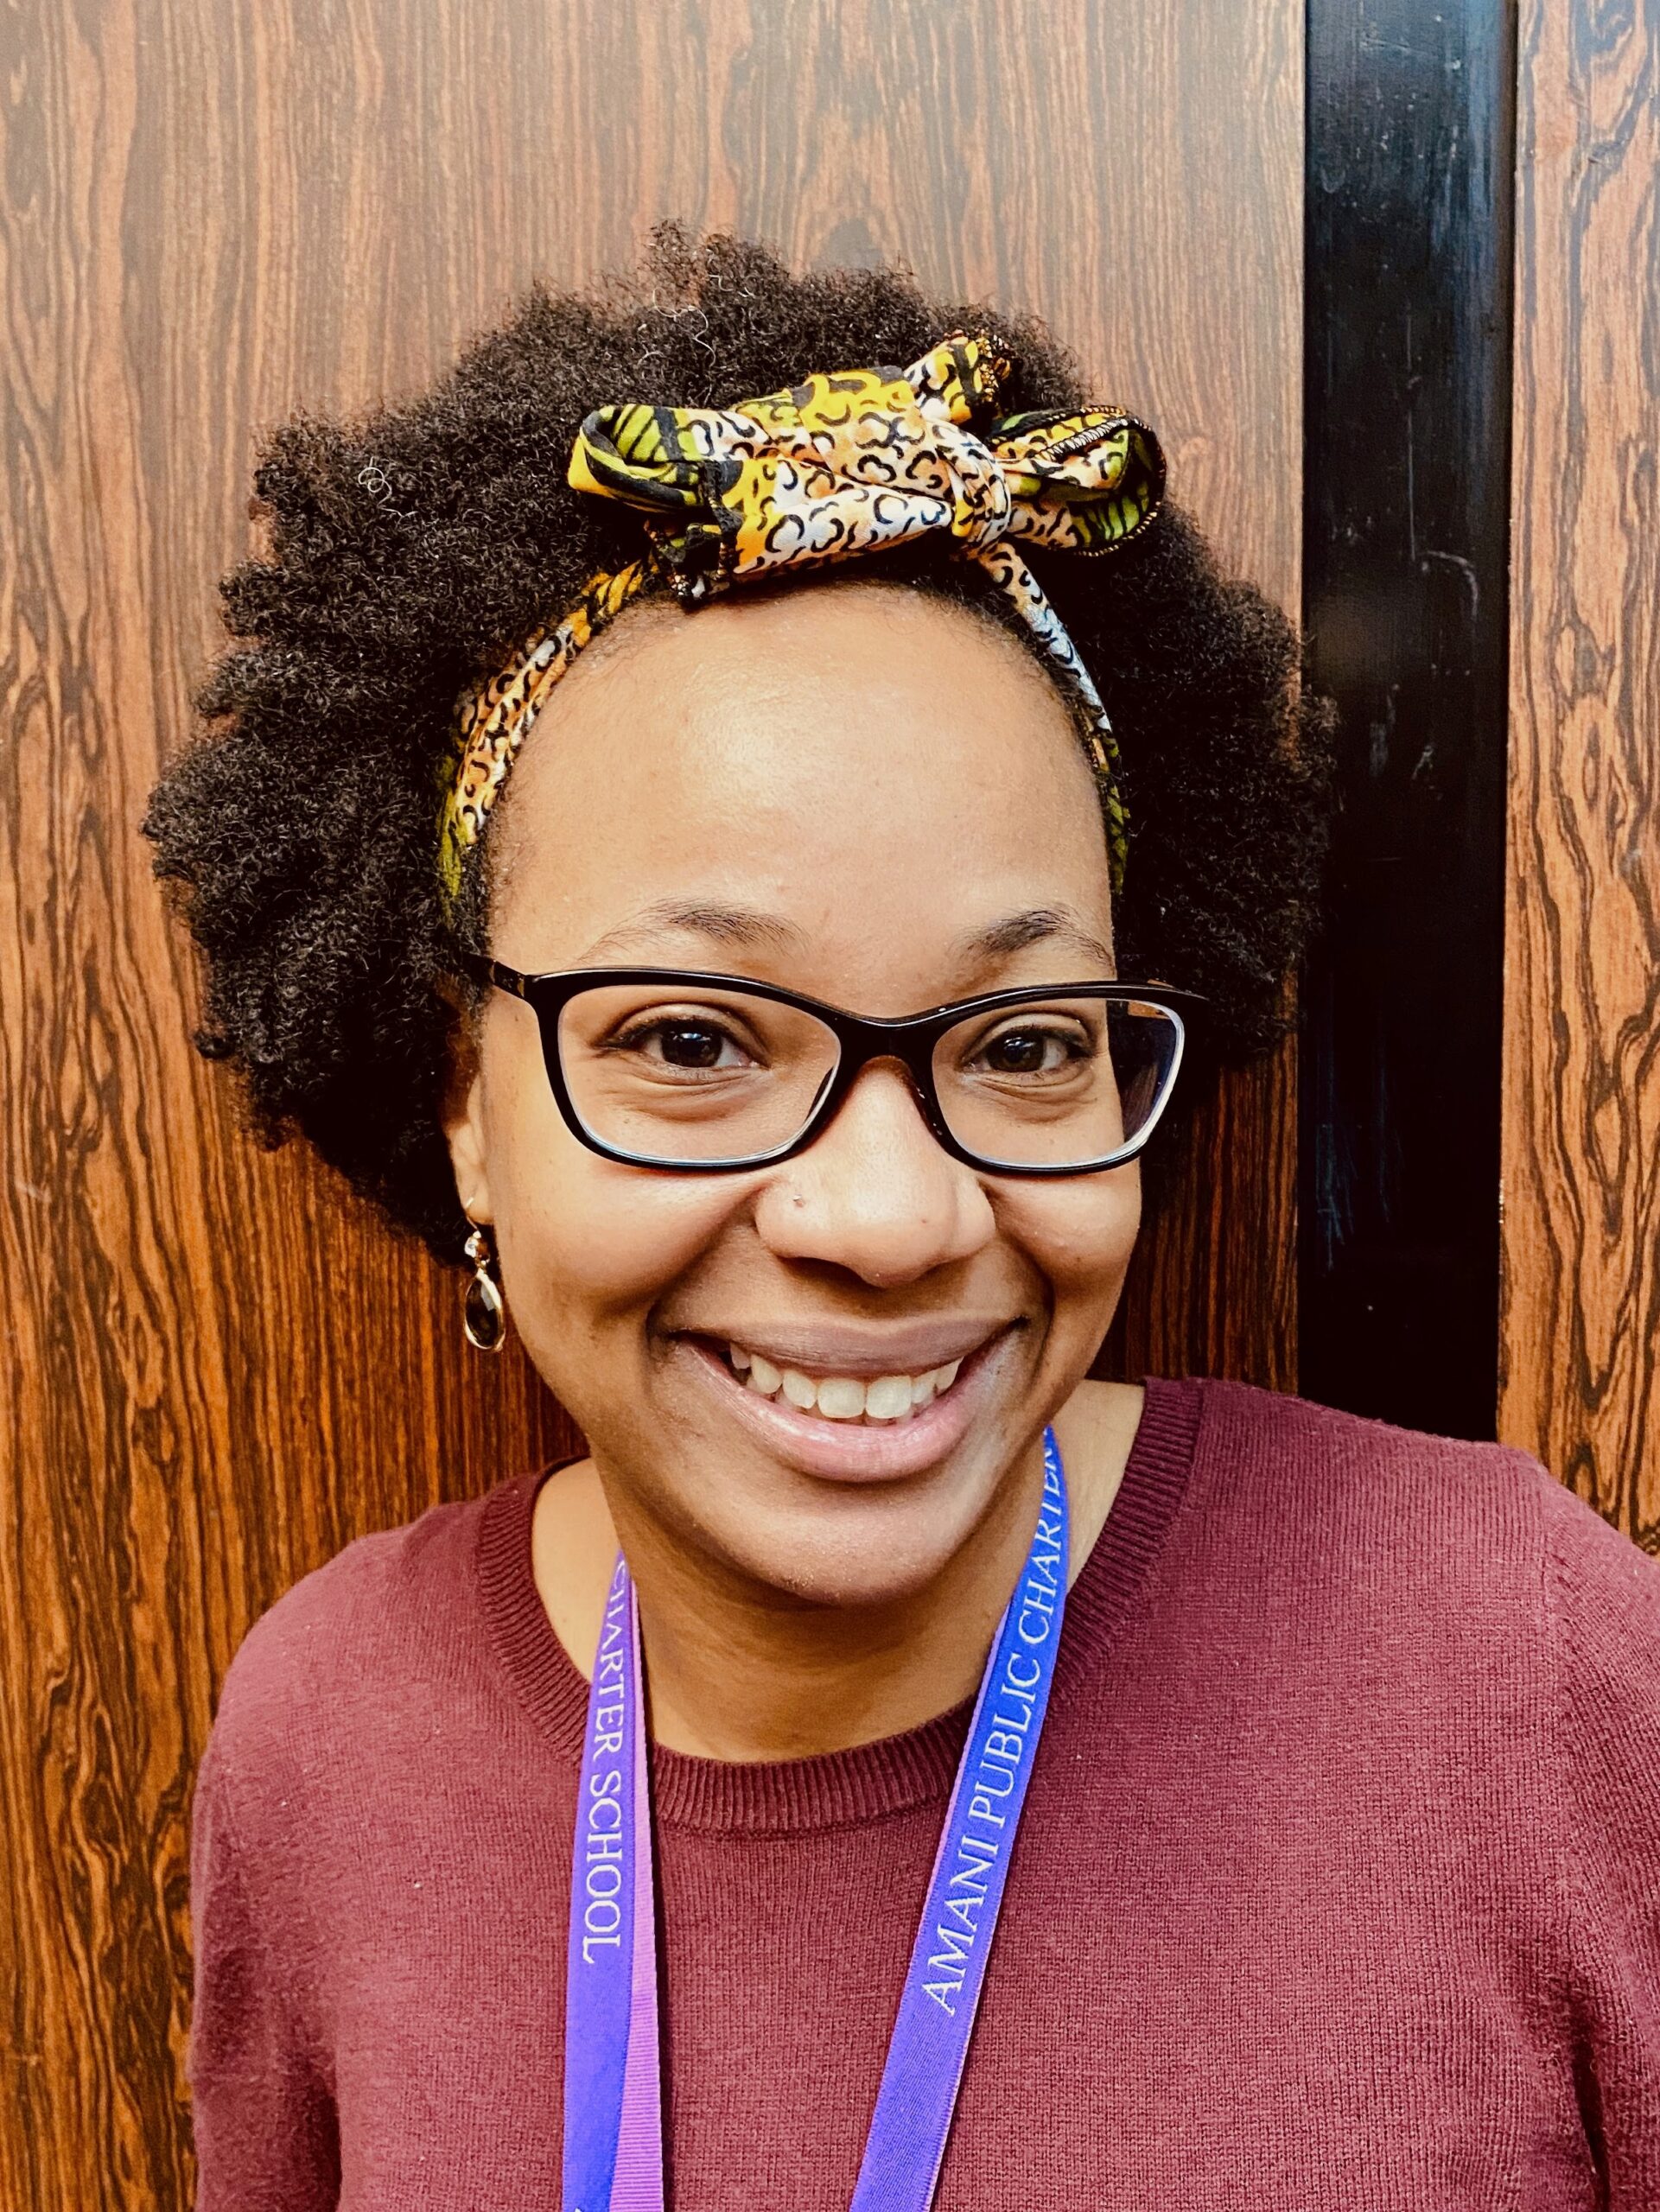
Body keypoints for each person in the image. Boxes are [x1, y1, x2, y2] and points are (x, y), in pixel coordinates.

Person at [145, 229, 1660, 2211]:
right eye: (691, 1036)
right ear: (459, 1100)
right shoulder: (327, 1739)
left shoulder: (1522, 1665)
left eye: (1021, 1040)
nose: (886, 1214)